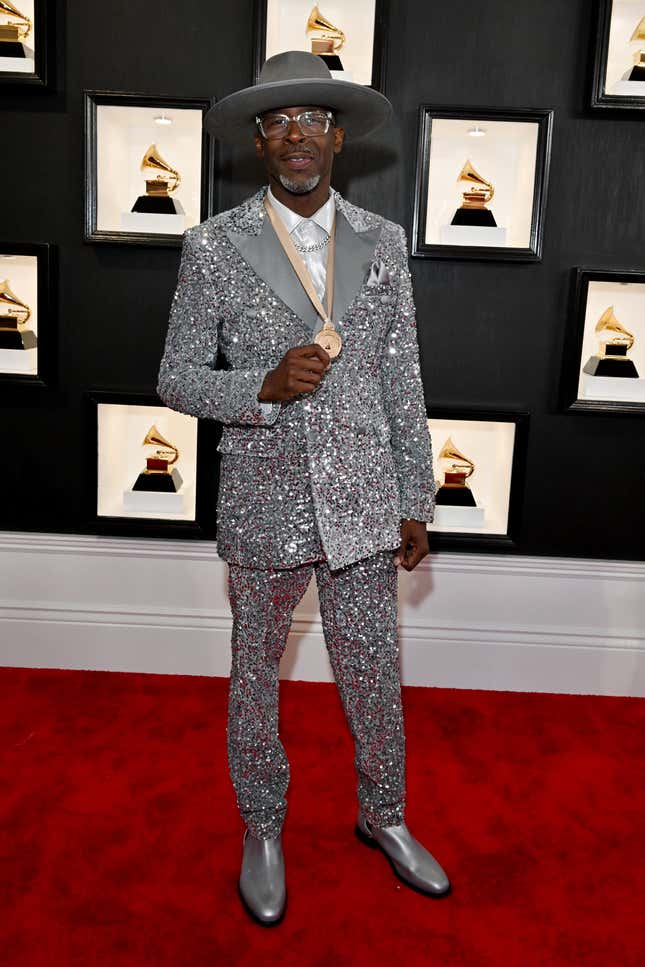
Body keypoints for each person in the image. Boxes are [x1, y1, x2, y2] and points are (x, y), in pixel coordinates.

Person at [157, 51, 451, 926]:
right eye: (279, 122)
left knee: (373, 673)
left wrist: (416, 494)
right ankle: (262, 827)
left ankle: (385, 814)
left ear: (337, 138)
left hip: (365, 499)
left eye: (313, 121)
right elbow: (173, 377)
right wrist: (257, 385)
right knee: (255, 675)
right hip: (263, 498)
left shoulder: (384, 243)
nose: (297, 136)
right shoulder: (211, 245)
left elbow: (403, 380)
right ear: (258, 140)